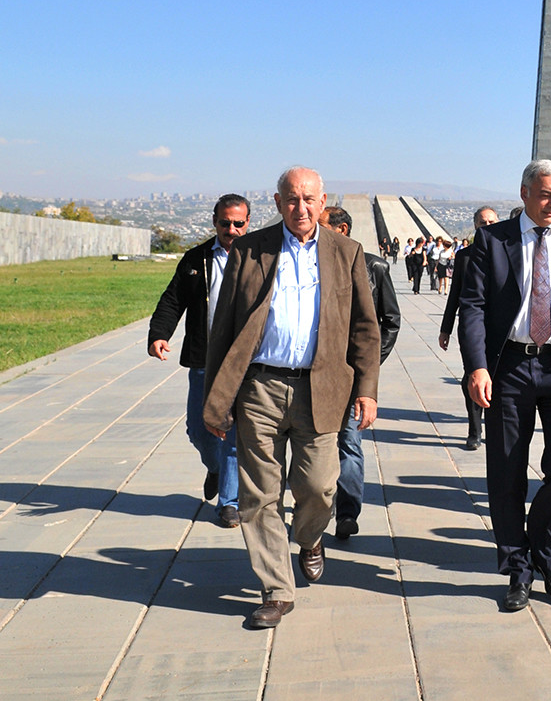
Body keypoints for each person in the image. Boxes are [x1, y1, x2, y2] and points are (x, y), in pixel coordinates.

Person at [202, 167, 382, 629]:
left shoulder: (346, 251)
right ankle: (277, 590)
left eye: (309, 199)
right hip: (259, 387)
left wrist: (366, 390)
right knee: (259, 494)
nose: (301, 208)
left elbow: (365, 328)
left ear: (322, 202)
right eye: (292, 199)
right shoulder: (250, 249)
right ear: (278, 202)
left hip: (321, 388)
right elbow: (223, 330)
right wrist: (216, 399)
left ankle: (310, 536)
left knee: (319, 486)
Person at [457, 160, 551, 612]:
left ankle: (545, 550)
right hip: (510, 368)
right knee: (506, 473)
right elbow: (473, 306)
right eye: (545, 195)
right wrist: (477, 367)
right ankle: (518, 568)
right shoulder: (493, 240)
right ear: (524, 193)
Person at [147, 193, 251, 528]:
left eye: (238, 223)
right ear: (214, 222)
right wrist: (159, 333)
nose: (231, 230)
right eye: (225, 223)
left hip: (245, 361)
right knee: (198, 429)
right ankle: (216, 468)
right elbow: (173, 299)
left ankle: (229, 502)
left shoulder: (260, 257)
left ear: (248, 223)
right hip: (205, 358)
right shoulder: (197, 258)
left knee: (234, 433)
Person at [321, 206, 402, 539]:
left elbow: (390, 321)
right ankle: (315, 503)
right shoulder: (310, 263)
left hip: (353, 374)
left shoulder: (375, 267)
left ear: (341, 230)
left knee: (349, 443)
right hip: (316, 371)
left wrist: (370, 364)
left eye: (322, 224)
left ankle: (347, 513)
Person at [440, 206, 500, 450]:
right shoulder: (465, 256)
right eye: (483, 223)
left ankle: (495, 427)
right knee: (472, 376)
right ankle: (474, 430)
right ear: (476, 226)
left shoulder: (508, 251)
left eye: (491, 222)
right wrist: (446, 328)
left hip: (499, 328)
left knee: (497, 378)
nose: (487, 226)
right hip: (472, 328)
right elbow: (454, 293)